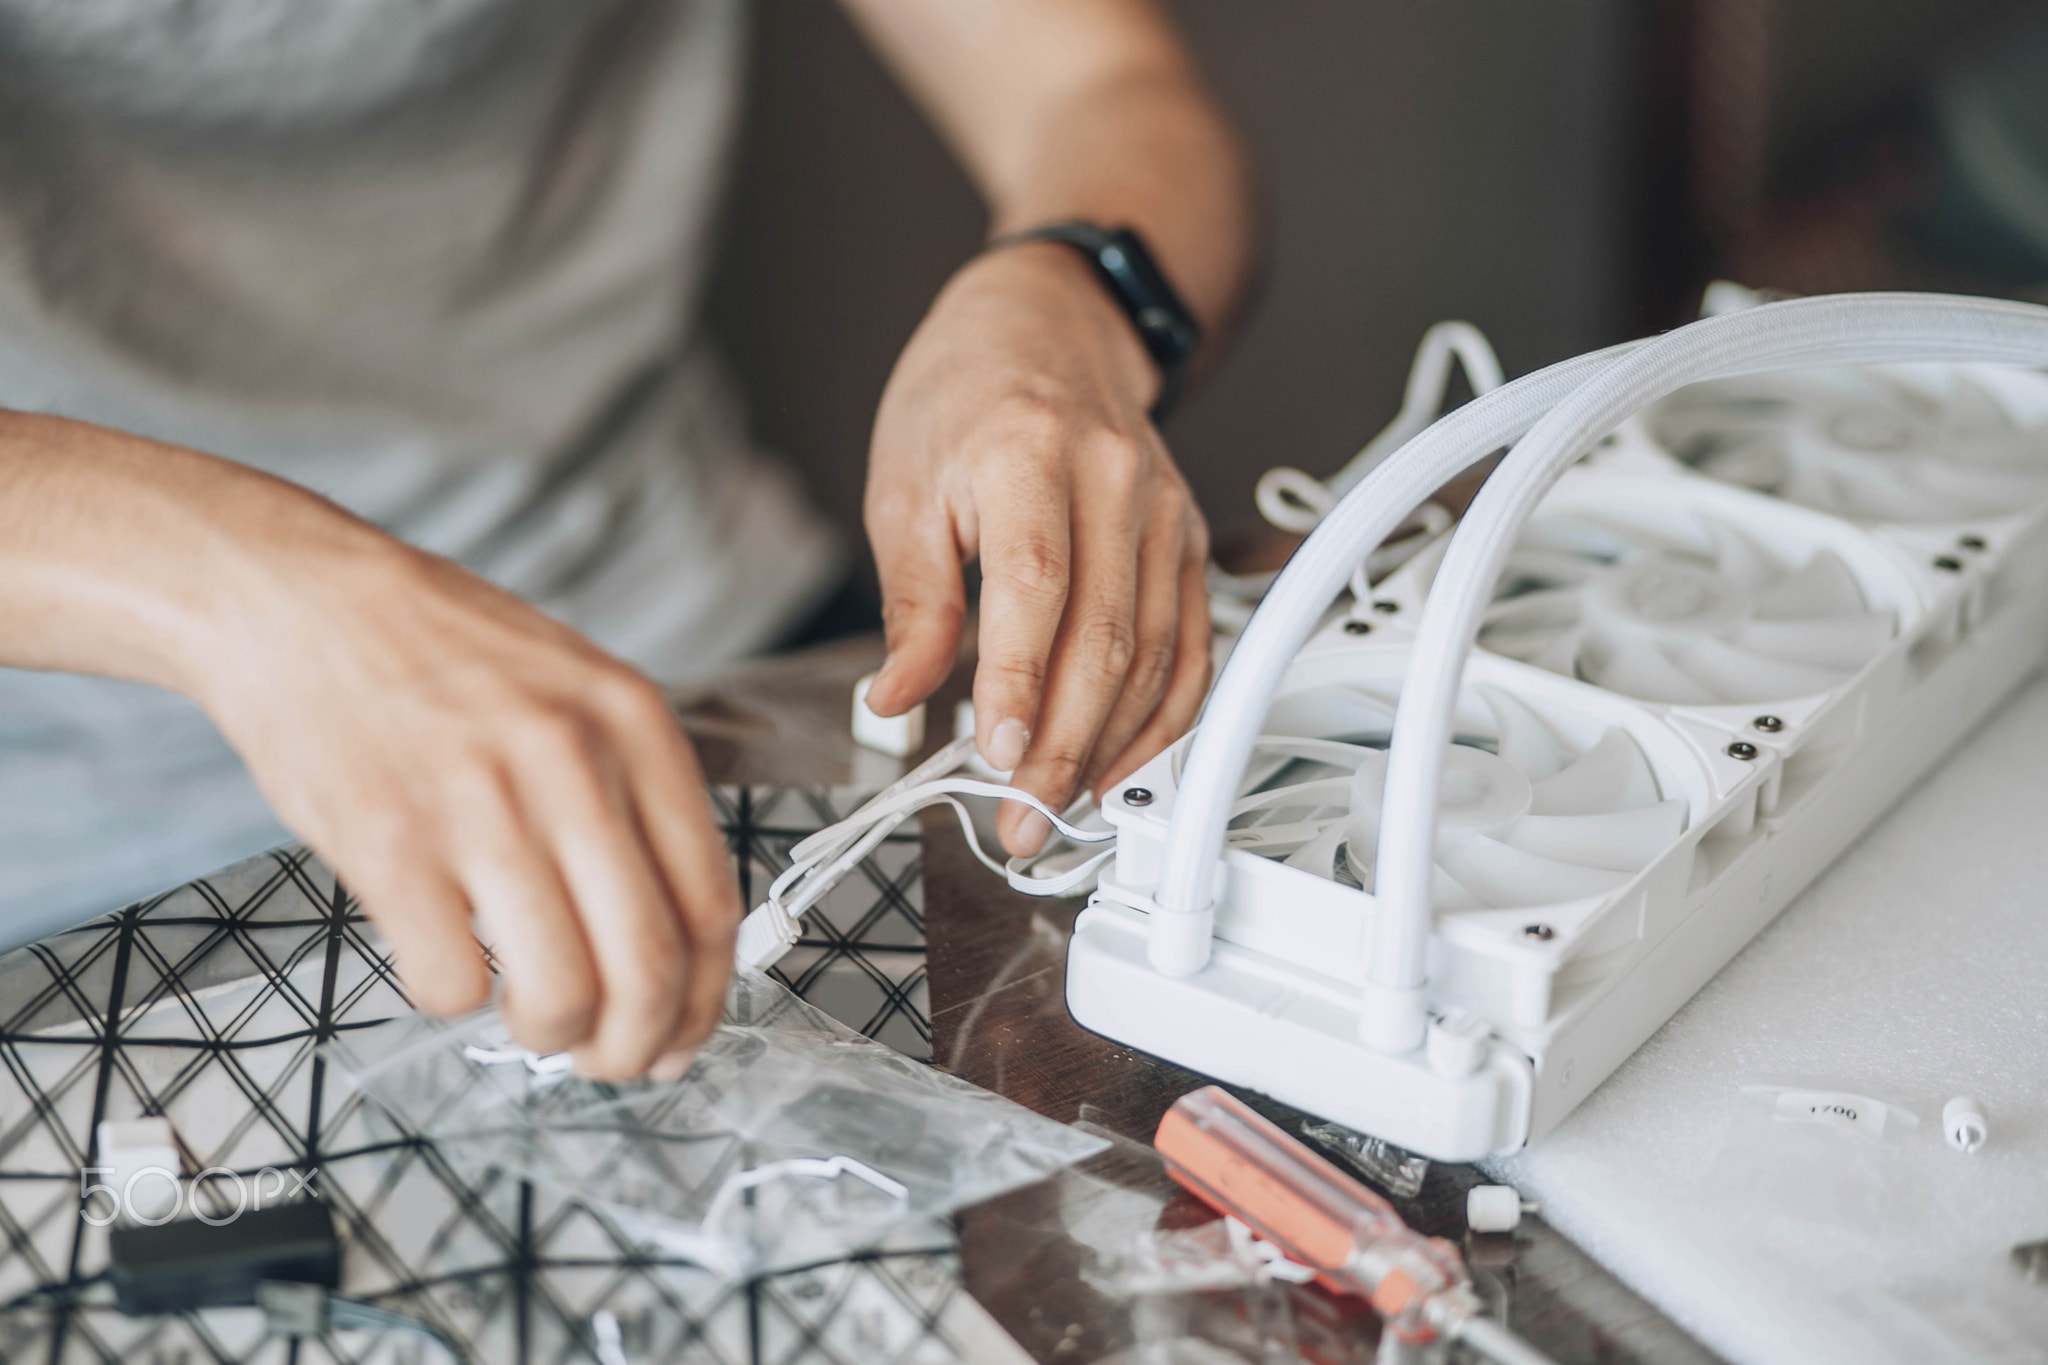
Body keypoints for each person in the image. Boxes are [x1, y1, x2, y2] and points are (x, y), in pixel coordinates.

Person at [0, 0, 1254, 1080]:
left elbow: (1098, 84)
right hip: (59, 840)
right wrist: (247, 590)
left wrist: (1067, 298)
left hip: (698, 653)